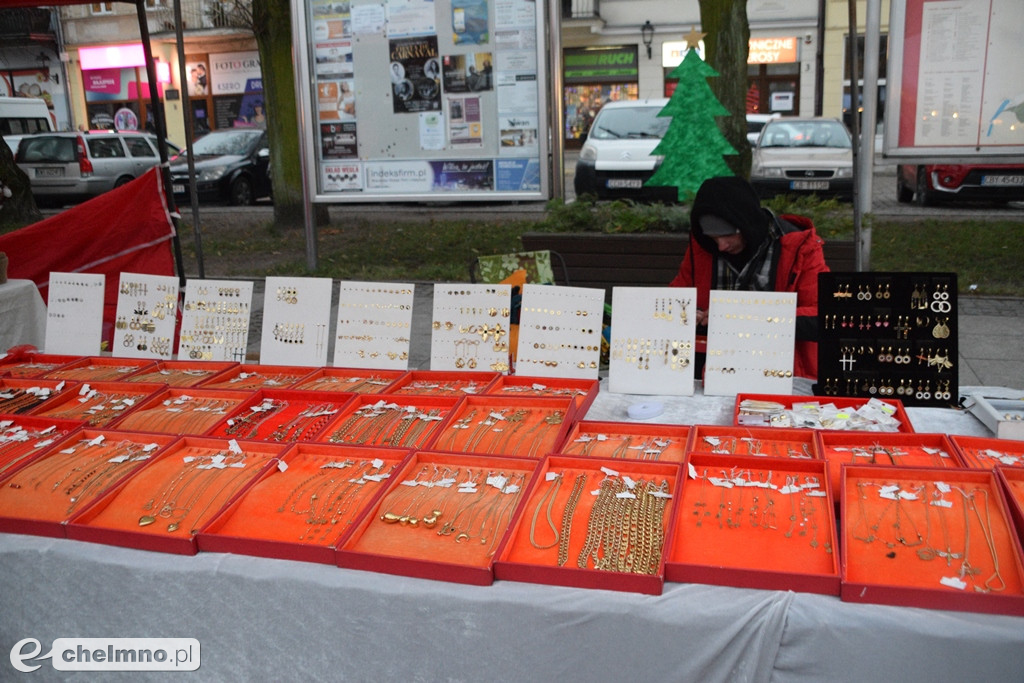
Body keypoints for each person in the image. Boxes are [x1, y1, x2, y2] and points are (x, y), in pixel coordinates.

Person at [670, 175, 829, 379]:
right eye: (713, 237)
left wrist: (745, 316)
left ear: (747, 223)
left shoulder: (800, 247)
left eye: (727, 235)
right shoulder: (702, 246)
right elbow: (676, 300)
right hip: (715, 371)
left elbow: (822, 316)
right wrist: (687, 314)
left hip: (783, 374)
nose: (721, 246)